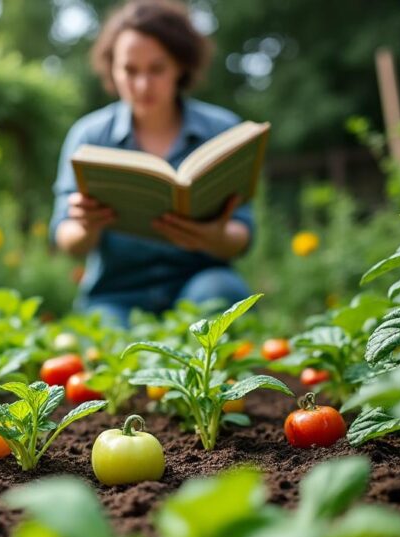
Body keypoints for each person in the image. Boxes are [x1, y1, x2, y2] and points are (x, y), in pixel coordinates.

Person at [50, 0, 253, 326]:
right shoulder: (88, 136)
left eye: (157, 69)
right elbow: (65, 237)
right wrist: (85, 226)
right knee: (109, 344)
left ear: (180, 66)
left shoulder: (221, 130)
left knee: (221, 292)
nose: (143, 86)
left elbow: (243, 232)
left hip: (199, 283)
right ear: (112, 70)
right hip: (115, 295)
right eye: (130, 70)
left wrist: (214, 236)